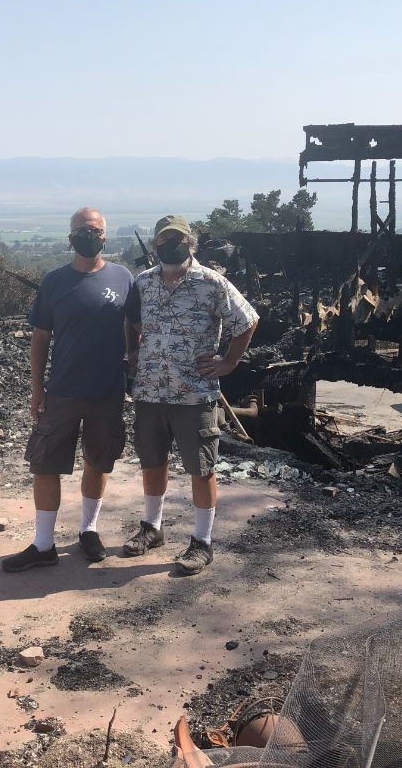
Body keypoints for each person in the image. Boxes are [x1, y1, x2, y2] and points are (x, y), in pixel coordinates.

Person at [123, 215, 258, 575]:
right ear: (155, 246)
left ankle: (202, 543)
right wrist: (135, 351)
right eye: (165, 240)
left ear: (190, 244)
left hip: (194, 394)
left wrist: (228, 361)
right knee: (152, 463)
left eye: (179, 239)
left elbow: (247, 321)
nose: (172, 245)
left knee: (201, 468)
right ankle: (152, 528)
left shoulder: (211, 283)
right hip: (150, 392)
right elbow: (132, 321)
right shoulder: (144, 283)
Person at [1, 207, 134, 572]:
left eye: (93, 230)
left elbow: (134, 330)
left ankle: (88, 531)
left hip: (107, 391)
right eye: (80, 230)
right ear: (70, 236)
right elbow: (40, 337)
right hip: (61, 391)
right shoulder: (54, 282)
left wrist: (134, 370)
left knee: (98, 460)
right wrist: (36, 387)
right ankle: (43, 544)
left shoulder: (124, 278)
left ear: (104, 236)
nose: (87, 235)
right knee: (45, 464)